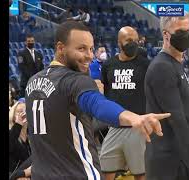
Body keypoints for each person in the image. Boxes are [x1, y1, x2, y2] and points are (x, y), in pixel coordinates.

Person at [24, 21, 170, 180]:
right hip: (77, 173)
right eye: (81, 49)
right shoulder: (76, 80)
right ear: (60, 48)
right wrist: (133, 117)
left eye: (91, 49)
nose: (90, 55)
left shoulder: (32, 82)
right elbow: (97, 104)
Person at [99, 26, 151, 180]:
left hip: (137, 127)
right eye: (128, 40)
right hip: (114, 126)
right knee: (106, 170)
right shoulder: (108, 65)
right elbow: (107, 89)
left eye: (135, 40)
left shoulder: (145, 64)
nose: (133, 43)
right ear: (119, 42)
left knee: (140, 173)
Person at [144, 12, 189, 180]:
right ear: (166, 34)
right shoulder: (162, 67)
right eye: (181, 32)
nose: (186, 36)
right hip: (169, 162)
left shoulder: (176, 64)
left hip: (178, 155)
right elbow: (177, 120)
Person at [9, 98, 31, 175]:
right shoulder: (11, 134)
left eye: (26, 110)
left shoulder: (32, 135)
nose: (23, 114)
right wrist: (18, 125)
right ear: (13, 116)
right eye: (19, 111)